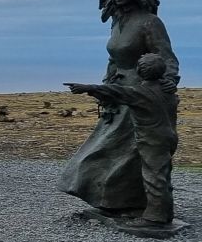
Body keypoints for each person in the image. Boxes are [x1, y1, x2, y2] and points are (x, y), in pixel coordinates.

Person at [59, 0, 181, 217]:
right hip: (117, 91)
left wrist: (168, 80)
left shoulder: (150, 22)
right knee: (110, 148)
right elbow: (114, 59)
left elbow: (166, 57)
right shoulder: (117, 22)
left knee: (131, 150)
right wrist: (106, 85)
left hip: (140, 91)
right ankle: (112, 199)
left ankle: (135, 203)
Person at [66, 53, 179, 226]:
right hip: (168, 137)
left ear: (140, 72)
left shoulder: (141, 93)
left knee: (153, 176)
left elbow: (115, 91)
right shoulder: (168, 91)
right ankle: (165, 212)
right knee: (162, 173)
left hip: (151, 139)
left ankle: (154, 217)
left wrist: (87, 88)